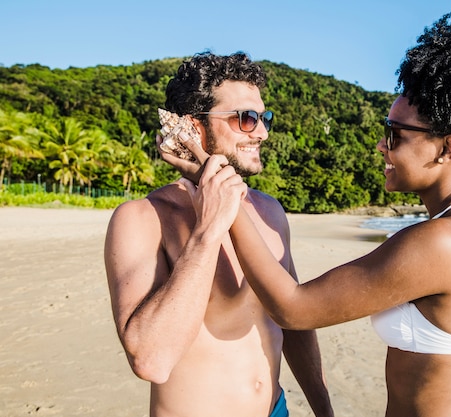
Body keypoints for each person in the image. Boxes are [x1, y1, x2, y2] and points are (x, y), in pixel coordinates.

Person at [166, 9, 451, 416]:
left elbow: (293, 307)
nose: (381, 145)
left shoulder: (442, 242)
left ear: (448, 148)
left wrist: (218, 187)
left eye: (395, 134)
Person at [104, 51, 334, 417]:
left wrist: (323, 408)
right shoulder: (143, 218)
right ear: (194, 127)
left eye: (264, 118)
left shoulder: (268, 210)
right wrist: (209, 228)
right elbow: (150, 360)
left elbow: (293, 322)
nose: (262, 132)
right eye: (246, 119)